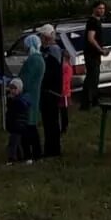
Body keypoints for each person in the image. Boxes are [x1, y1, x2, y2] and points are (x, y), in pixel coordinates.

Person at [18, 33, 45, 162]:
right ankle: (36, 153)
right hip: (34, 95)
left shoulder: (32, 60)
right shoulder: (39, 59)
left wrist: (16, 85)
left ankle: (29, 154)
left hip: (28, 96)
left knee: (27, 126)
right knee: (32, 126)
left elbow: (26, 80)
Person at [40, 27, 64, 158]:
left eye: (43, 36)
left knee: (52, 122)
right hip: (47, 90)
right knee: (48, 122)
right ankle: (49, 148)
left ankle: (54, 149)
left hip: (52, 91)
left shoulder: (53, 50)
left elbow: (52, 71)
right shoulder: (45, 50)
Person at [82, 3, 107, 111]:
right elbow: (91, 38)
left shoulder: (98, 21)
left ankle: (93, 101)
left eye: (103, 8)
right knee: (92, 78)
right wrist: (100, 50)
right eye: (99, 8)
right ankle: (87, 103)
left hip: (95, 54)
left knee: (94, 78)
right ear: (94, 9)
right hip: (91, 54)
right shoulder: (92, 22)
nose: (102, 10)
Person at [4, 78, 29, 164]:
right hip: (14, 125)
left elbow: (23, 107)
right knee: (17, 143)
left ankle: (12, 158)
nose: (12, 91)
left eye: (15, 89)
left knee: (13, 143)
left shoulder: (21, 100)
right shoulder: (11, 100)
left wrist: (14, 100)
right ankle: (20, 156)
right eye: (11, 88)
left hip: (18, 125)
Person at [60, 49, 74, 135]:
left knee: (64, 110)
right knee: (61, 110)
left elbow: (65, 80)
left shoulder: (67, 68)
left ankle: (65, 126)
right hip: (60, 92)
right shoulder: (62, 67)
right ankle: (63, 126)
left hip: (64, 92)